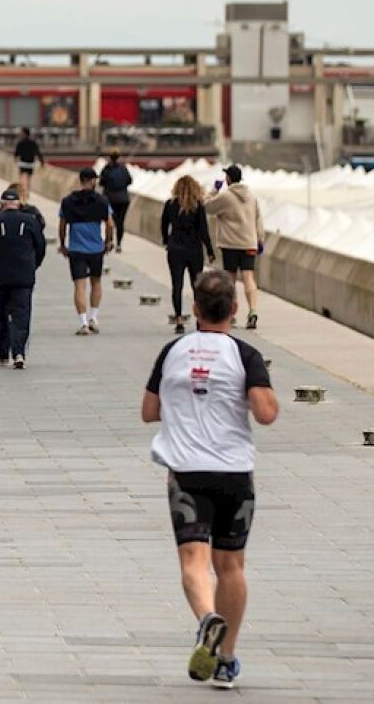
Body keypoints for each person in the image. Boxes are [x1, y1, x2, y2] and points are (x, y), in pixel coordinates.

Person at [142, 269, 280, 688]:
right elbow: (266, 413)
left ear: (195, 308)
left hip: (186, 473)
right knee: (231, 565)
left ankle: (207, 619)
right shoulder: (245, 355)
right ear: (234, 309)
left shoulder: (172, 352)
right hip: (234, 474)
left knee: (193, 562)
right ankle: (226, 659)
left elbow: (149, 411)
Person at [0, 189, 47, 367]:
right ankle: (19, 353)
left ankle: (3, 352)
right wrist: (34, 264)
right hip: (24, 277)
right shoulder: (30, 221)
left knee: (1, 313)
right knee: (21, 315)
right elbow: (40, 246)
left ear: (1, 204)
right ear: (18, 204)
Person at [205, 166, 264, 331]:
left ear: (229, 179)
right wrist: (260, 239)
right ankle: (253, 311)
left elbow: (206, 206)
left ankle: (231, 313)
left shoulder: (225, 197)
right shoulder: (251, 196)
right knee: (248, 277)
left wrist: (214, 190)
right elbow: (258, 219)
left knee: (230, 279)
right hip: (249, 243)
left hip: (230, 244)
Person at [58, 167, 115, 335]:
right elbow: (110, 224)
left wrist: (63, 244)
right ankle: (93, 318)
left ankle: (83, 322)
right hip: (96, 249)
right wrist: (108, 242)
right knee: (96, 282)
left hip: (76, 249)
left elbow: (62, 225)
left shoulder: (67, 201)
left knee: (79, 285)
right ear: (92, 181)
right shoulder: (102, 201)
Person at [159, 176, 215, 335]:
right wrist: (210, 250)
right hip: (194, 249)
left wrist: (166, 240)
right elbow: (204, 230)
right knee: (197, 286)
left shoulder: (170, 205)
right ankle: (200, 319)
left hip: (175, 248)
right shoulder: (198, 206)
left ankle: (178, 319)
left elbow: (164, 225)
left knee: (177, 285)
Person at [99, 151, 134, 252]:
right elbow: (130, 181)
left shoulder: (106, 169)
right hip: (123, 199)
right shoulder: (123, 169)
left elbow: (101, 182)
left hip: (110, 199)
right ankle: (119, 244)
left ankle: (110, 241)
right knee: (120, 222)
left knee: (110, 221)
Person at [13, 127, 42, 201]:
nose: (20, 134)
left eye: (21, 133)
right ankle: (26, 192)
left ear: (25, 134)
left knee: (22, 179)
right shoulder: (33, 143)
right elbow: (38, 152)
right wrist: (42, 161)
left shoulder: (20, 143)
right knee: (28, 180)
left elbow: (16, 154)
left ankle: (23, 193)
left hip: (23, 163)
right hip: (30, 164)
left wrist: (15, 160)